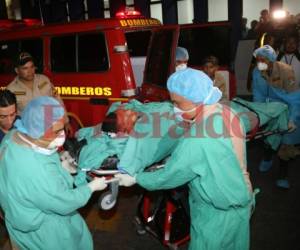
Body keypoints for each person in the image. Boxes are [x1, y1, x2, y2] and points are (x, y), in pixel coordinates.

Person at [116, 68, 254, 250]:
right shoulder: (229, 113)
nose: (174, 108)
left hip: (216, 217)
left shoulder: (197, 140)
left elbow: (169, 176)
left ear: (197, 101)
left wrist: (136, 178)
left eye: (177, 103)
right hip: (243, 200)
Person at [0, 96, 108, 249]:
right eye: (57, 131)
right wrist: (91, 188)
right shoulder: (38, 171)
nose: (63, 134)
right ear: (38, 130)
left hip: (17, 217)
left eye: (63, 127)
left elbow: (35, 159)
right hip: (42, 230)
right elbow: (64, 202)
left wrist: (58, 163)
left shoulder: (13, 137)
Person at [252, 45, 300, 189]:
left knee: (287, 142)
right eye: (257, 60)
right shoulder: (257, 71)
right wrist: (258, 115)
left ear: (271, 60)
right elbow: (258, 94)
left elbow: (295, 99)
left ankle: (282, 175)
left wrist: (292, 119)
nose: (259, 63)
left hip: (287, 107)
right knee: (268, 137)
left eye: (262, 60)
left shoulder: (286, 71)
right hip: (269, 108)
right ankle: (267, 158)